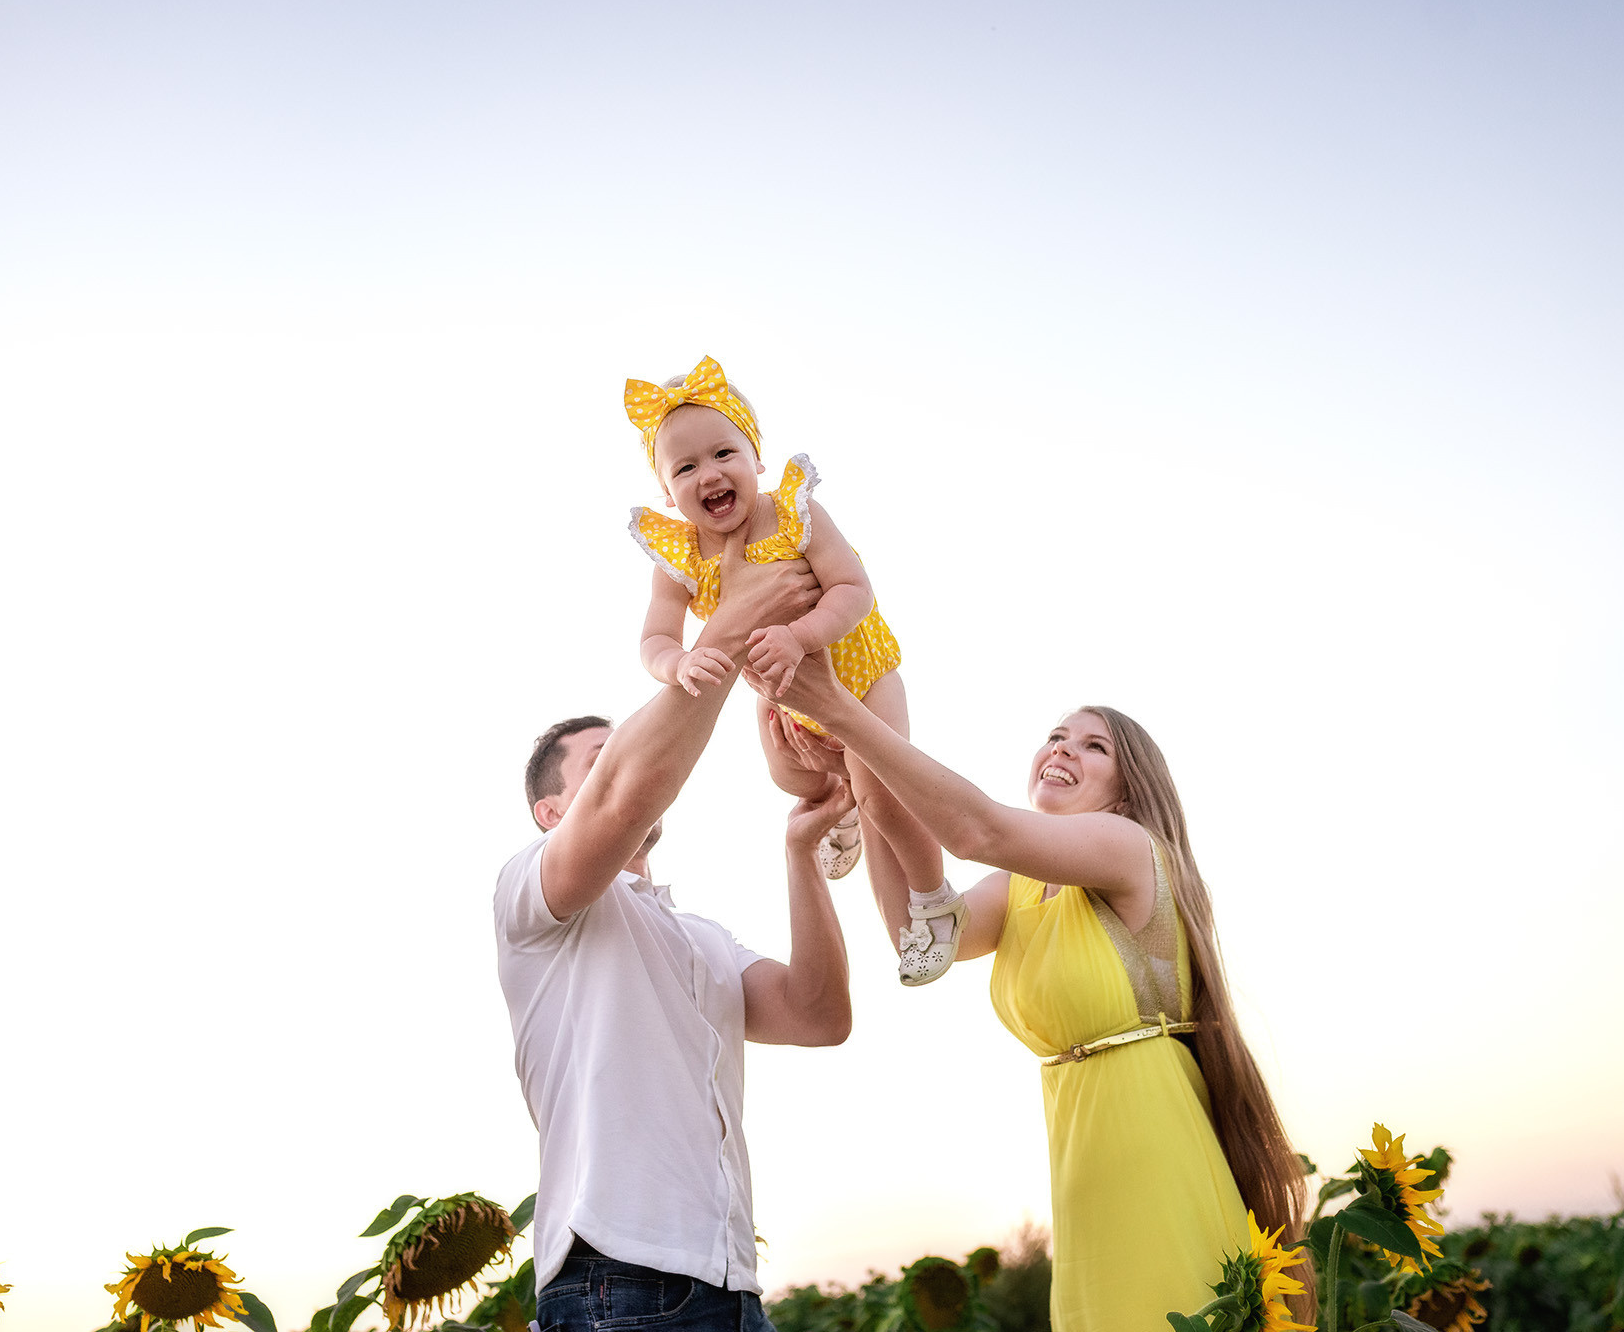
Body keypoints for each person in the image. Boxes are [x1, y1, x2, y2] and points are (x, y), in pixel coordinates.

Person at [761, 655, 1313, 1330]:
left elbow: (976, 831)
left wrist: (849, 713)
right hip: (1083, 1159)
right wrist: (858, 768)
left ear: (1128, 790)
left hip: (1157, 1151)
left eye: (1093, 745)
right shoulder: (1020, 888)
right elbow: (918, 931)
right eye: (1056, 735)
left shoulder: (1127, 845)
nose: (1062, 748)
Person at [494, 537, 854, 1332]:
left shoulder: (703, 939)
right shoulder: (533, 895)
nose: (632, 756)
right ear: (551, 815)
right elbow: (626, 794)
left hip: (730, 1284)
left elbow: (820, 1014)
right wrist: (733, 623)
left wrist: (801, 852)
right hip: (613, 1281)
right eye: (601, 756)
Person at [623, 356, 949, 983]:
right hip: (787, 696)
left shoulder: (795, 515)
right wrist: (679, 661)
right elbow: (655, 636)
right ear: (667, 491)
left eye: (724, 454)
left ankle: (930, 904)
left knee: (882, 793)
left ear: (756, 460)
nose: (709, 474)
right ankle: (839, 806)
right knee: (787, 776)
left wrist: (801, 636)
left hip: (860, 679)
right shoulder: (679, 558)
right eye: (685, 467)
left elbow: (854, 590)